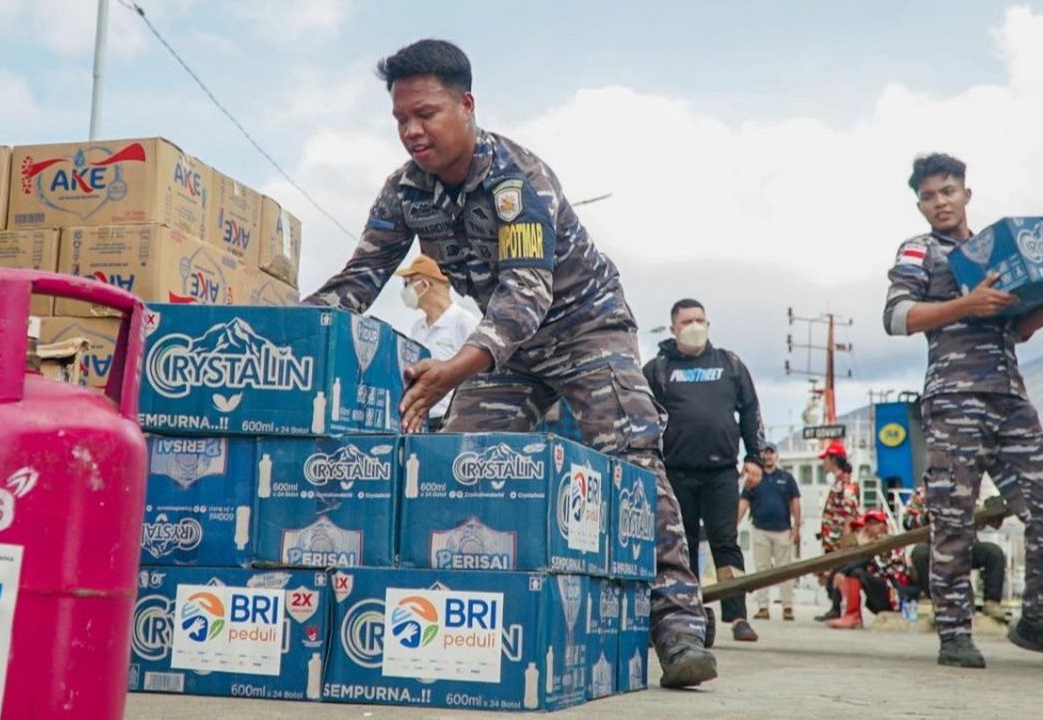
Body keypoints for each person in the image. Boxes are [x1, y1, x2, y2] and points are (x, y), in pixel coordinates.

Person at [303, 39, 715, 688]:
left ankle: (679, 629)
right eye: (401, 119)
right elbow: (360, 278)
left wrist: (452, 369)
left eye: (428, 113)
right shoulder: (405, 191)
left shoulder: (516, 181)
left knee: (631, 452)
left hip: (584, 328)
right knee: (464, 455)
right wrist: (298, 326)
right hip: (507, 348)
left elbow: (528, 293)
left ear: (467, 105)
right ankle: (472, 617)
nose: (412, 130)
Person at [882, 152, 1043, 670]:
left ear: (966, 194)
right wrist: (964, 305)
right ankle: (955, 634)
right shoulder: (920, 251)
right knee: (954, 520)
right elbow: (895, 317)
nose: (941, 202)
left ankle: (1040, 622)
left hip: (1009, 399)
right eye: (930, 195)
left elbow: (1020, 328)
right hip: (955, 398)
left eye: (948, 191)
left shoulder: (995, 253)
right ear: (920, 204)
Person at [644, 298, 765, 644]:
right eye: (686, 322)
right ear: (673, 329)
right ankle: (685, 615)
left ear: (708, 323)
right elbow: (641, 416)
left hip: (722, 473)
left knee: (726, 544)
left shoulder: (730, 364)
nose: (694, 326)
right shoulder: (657, 369)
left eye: (699, 319)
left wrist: (755, 456)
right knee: (681, 546)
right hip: (674, 474)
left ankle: (738, 614)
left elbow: (751, 411)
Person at [394, 255, 481, 430]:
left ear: (424, 284)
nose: (405, 291)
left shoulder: (464, 322)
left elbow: (477, 374)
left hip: (450, 422)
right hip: (420, 419)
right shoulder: (417, 328)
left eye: (408, 283)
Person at [902, 486, 1007, 623]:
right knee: (920, 553)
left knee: (994, 552)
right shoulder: (921, 494)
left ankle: (992, 602)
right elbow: (908, 522)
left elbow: (984, 523)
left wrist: (992, 512)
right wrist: (928, 517)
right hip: (936, 546)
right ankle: (939, 604)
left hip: (965, 547)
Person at [738, 442, 801, 621]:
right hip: (760, 530)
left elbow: (795, 502)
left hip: (783, 530)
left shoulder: (787, 478)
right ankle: (763, 607)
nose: (768, 456)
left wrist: (797, 526)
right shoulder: (754, 479)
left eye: (771, 453)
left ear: (776, 456)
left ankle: (788, 607)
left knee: (785, 570)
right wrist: (733, 524)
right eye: (765, 453)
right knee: (762, 570)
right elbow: (744, 503)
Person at [825, 510, 911, 629]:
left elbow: (869, 560)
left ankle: (852, 616)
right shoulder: (873, 544)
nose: (869, 527)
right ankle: (851, 615)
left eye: (874, 523)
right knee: (853, 571)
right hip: (882, 595)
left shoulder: (889, 542)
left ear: (883, 525)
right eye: (868, 524)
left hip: (895, 595)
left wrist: (842, 572)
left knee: (857, 573)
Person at [813, 441, 860, 621]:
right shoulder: (839, 483)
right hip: (832, 539)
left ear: (833, 460)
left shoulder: (846, 484)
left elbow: (849, 512)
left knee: (836, 573)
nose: (823, 463)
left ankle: (837, 608)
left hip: (839, 539)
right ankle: (835, 607)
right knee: (831, 573)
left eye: (825, 459)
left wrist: (845, 539)